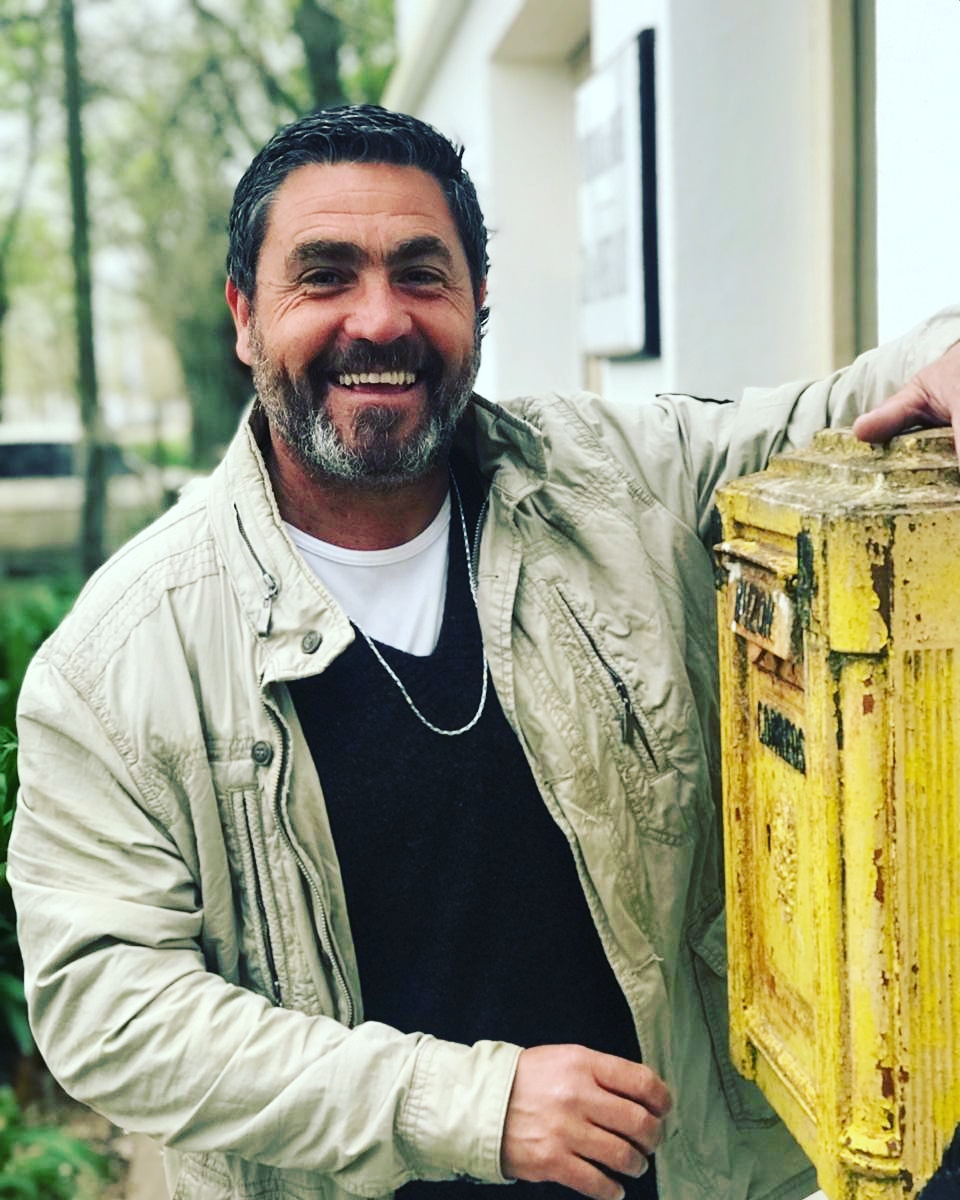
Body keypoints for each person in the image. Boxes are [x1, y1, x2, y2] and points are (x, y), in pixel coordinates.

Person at [8, 104, 960, 1200]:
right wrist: (470, 1104)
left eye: (422, 275)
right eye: (324, 277)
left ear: (478, 303)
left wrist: (946, 353)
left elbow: (846, 412)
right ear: (244, 317)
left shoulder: (617, 481)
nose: (380, 320)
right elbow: (109, 1007)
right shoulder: (119, 659)